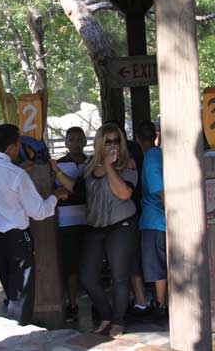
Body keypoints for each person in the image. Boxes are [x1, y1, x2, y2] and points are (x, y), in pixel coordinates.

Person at [0, 124, 68, 325]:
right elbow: (39, 212)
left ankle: (14, 330)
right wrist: (55, 196)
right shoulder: (17, 175)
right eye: (18, 144)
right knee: (21, 295)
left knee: (10, 289)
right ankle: (19, 336)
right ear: (12, 147)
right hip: (17, 239)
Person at [53, 123, 138, 337]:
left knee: (119, 276)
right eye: (107, 141)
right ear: (100, 143)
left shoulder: (128, 164)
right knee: (87, 277)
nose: (112, 144)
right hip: (96, 227)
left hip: (121, 225)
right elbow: (78, 190)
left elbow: (124, 194)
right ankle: (107, 315)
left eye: (116, 140)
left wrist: (110, 166)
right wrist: (55, 170)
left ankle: (118, 321)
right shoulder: (91, 165)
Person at [135, 120, 169, 322]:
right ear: (155, 135)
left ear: (137, 138)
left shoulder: (150, 158)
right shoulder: (162, 154)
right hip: (160, 218)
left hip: (155, 219)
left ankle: (161, 304)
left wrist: (170, 213)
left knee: (157, 266)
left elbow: (159, 188)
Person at [54, 126, 88, 322]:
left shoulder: (92, 163)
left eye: (79, 139)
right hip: (66, 222)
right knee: (71, 266)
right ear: (66, 143)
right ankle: (73, 303)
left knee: (91, 264)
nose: (75, 143)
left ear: (85, 141)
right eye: (71, 139)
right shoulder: (58, 165)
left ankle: (94, 303)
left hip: (91, 220)